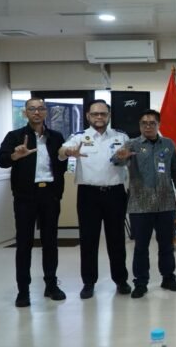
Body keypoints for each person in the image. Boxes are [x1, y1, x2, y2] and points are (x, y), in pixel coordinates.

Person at [0, 97, 67, 307]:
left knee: (50, 243)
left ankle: (51, 285)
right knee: (24, 244)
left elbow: (60, 165)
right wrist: (15, 156)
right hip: (25, 197)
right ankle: (23, 291)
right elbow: (1, 161)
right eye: (32, 109)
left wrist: (65, 158)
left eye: (41, 109)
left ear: (46, 112)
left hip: (50, 196)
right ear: (25, 113)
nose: (37, 112)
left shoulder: (55, 137)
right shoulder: (15, 136)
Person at [58, 99, 132, 299]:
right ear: (88, 116)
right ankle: (88, 283)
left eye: (103, 114)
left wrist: (126, 157)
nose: (99, 117)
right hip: (88, 195)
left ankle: (121, 280)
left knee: (116, 240)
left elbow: (129, 159)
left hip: (115, 193)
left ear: (108, 115)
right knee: (88, 240)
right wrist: (68, 152)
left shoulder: (121, 136)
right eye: (95, 114)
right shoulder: (79, 137)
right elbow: (61, 152)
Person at [111, 109, 176, 299]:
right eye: (144, 123)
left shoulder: (168, 144)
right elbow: (116, 162)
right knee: (141, 247)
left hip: (166, 203)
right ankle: (141, 283)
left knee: (166, 246)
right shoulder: (132, 144)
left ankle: (168, 278)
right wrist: (121, 156)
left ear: (158, 125)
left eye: (152, 123)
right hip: (140, 205)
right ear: (140, 126)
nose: (148, 126)